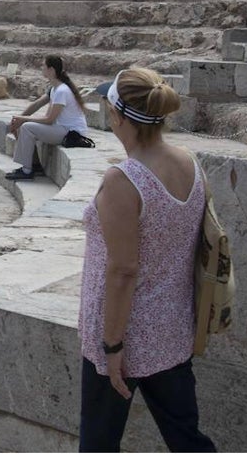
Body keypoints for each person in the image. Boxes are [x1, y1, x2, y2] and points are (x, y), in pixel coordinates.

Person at [78, 68, 216, 452]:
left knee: (99, 444)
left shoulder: (124, 180)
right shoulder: (190, 162)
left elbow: (123, 270)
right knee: (186, 437)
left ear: (119, 117)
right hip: (170, 331)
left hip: (122, 335)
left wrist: (111, 347)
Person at [7, 54, 90, 180]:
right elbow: (37, 104)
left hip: (72, 133)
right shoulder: (54, 89)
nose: (41, 68)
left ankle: (27, 171)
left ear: (51, 70)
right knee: (23, 126)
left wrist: (23, 119)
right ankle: (35, 165)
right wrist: (18, 119)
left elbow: (49, 119)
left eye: (43, 66)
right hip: (62, 129)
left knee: (27, 127)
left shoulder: (62, 90)